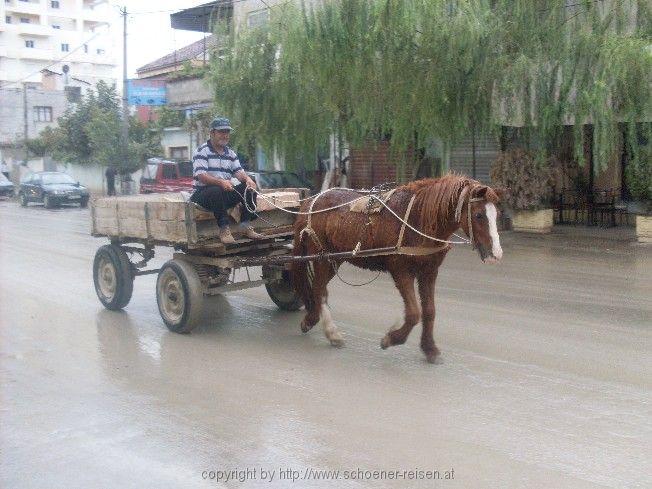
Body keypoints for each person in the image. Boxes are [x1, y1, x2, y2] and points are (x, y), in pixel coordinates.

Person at [190, 117, 264, 244]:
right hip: (203, 194)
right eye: (221, 132)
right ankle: (224, 229)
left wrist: (247, 180)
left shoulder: (230, 153)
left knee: (249, 188)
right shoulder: (202, 151)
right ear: (212, 133)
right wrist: (221, 182)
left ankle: (245, 226)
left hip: (224, 192)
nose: (224, 135)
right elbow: (201, 176)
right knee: (215, 190)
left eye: (227, 132)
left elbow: (239, 173)